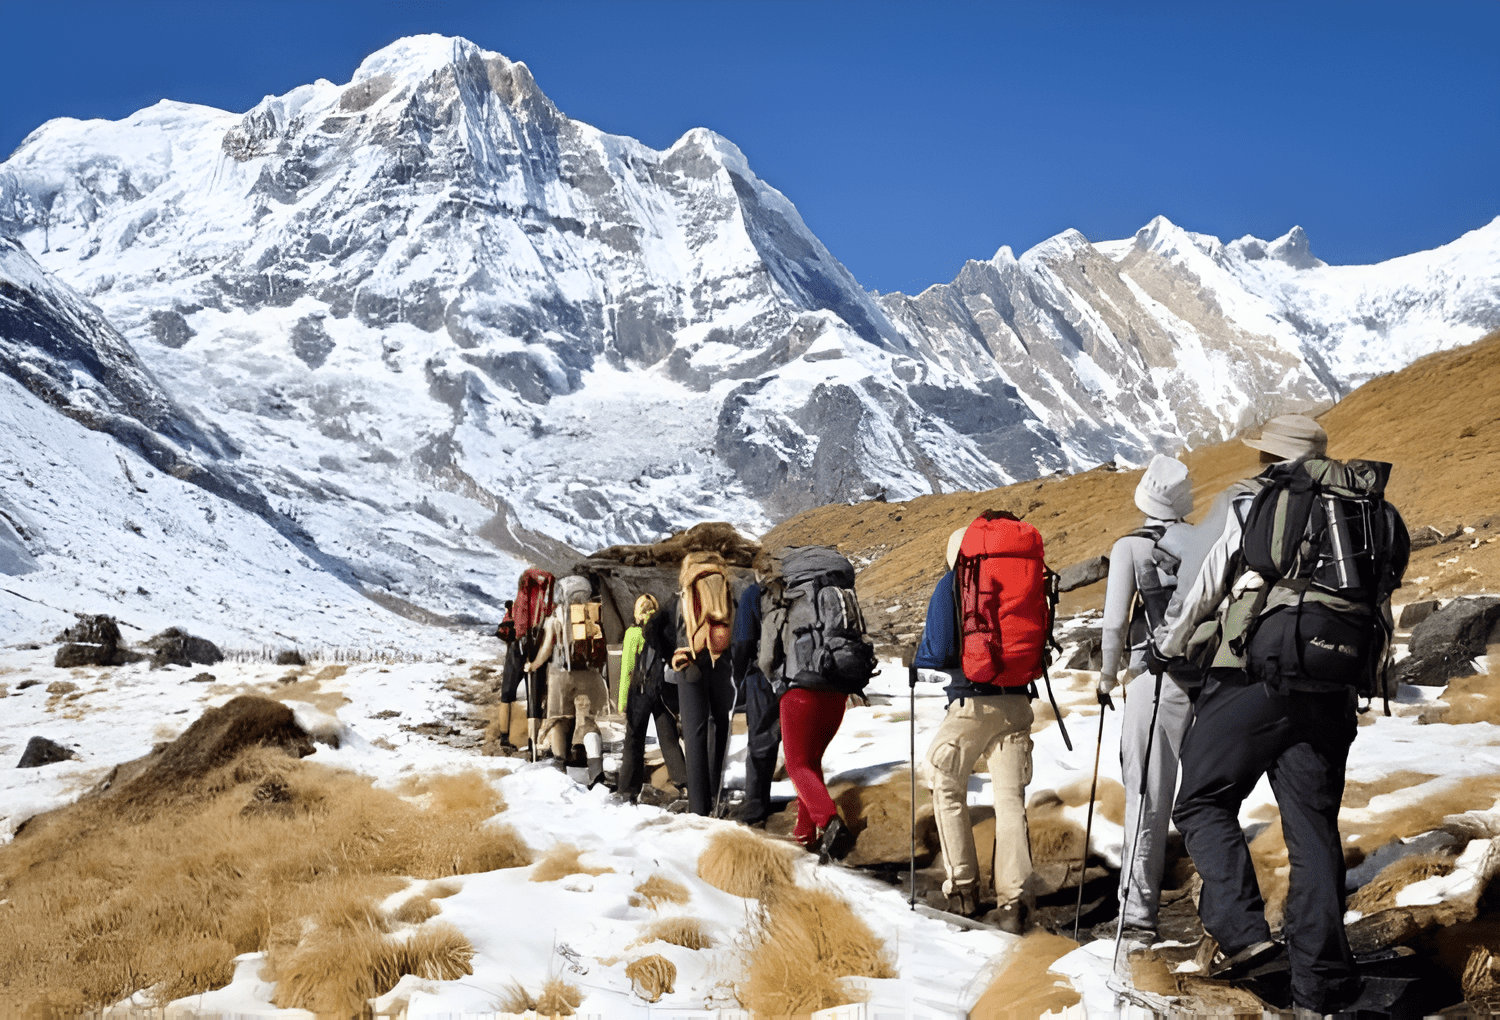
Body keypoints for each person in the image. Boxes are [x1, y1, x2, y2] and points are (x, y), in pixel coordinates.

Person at [1154, 414, 1367, 1012]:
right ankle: (1319, 984)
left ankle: (1246, 940)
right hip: (1330, 687)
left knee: (1201, 800)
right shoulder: (1355, 509)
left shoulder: (1254, 500)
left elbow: (1204, 582)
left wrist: (1167, 647)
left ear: (1267, 457)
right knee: (1313, 828)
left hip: (1253, 676)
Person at [1095, 455, 1200, 948]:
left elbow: (1115, 623)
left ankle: (1137, 916)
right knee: (1205, 799)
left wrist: (1106, 675)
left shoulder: (1131, 547)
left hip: (1153, 681)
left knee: (1147, 797)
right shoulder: (1204, 541)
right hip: (1209, 682)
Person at [914, 525, 1035, 935]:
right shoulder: (1019, 577)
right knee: (1010, 801)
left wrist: (919, 658)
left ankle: (962, 889)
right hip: (1018, 702)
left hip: (972, 702)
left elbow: (939, 648)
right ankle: (1015, 902)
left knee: (944, 781)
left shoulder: (955, 582)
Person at [652, 552, 736, 816]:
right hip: (721, 665)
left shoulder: (682, 596)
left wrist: (670, 655)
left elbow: (653, 629)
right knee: (719, 726)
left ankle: (699, 808)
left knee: (695, 734)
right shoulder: (727, 590)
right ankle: (715, 794)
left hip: (689, 667)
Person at [526, 575, 611, 785]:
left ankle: (559, 768)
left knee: (559, 721)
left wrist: (534, 665)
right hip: (590, 675)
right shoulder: (593, 615)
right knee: (589, 723)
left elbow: (547, 648)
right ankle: (596, 771)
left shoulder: (556, 617)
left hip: (561, 675)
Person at [616, 594, 689, 802]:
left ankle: (627, 789)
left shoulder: (633, 633)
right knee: (668, 738)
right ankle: (684, 784)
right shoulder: (663, 631)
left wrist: (623, 702)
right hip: (662, 688)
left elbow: (627, 670)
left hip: (640, 690)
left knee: (634, 738)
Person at [731, 553, 782, 828]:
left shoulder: (753, 593)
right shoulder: (791, 592)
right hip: (794, 676)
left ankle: (755, 804)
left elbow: (743, 641)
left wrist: (739, 676)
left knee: (761, 740)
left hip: (761, 676)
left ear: (756, 572)